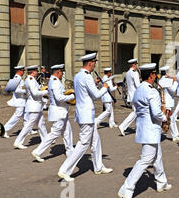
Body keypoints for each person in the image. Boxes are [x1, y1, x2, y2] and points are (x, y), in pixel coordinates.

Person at [118, 63, 172, 198]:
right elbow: (155, 113)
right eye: (155, 74)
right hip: (151, 129)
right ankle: (126, 189)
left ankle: (161, 182)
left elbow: (137, 108)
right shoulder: (152, 91)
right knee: (145, 160)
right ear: (152, 75)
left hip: (143, 128)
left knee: (157, 156)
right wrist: (165, 117)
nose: (156, 77)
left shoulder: (139, 89)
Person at [57, 53, 112, 182]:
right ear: (90, 63)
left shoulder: (78, 75)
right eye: (94, 63)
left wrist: (94, 83)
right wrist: (104, 88)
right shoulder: (87, 77)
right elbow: (96, 95)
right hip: (86, 114)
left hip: (84, 113)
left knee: (95, 141)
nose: (95, 65)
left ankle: (98, 167)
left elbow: (84, 91)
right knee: (83, 143)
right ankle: (65, 170)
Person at [31, 64, 74, 162]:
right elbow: (59, 98)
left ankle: (70, 151)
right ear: (58, 72)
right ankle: (38, 151)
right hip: (58, 111)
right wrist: (71, 97)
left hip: (61, 111)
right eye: (61, 72)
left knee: (67, 132)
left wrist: (67, 92)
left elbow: (61, 94)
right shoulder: (55, 82)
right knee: (55, 133)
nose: (62, 73)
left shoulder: (55, 81)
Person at [13, 65, 48, 149]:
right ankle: (18, 141)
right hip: (34, 105)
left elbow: (36, 89)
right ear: (33, 72)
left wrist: (42, 88)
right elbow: (35, 93)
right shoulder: (31, 80)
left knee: (41, 123)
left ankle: (46, 140)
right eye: (36, 71)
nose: (37, 72)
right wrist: (45, 91)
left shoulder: (30, 80)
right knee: (29, 125)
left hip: (36, 105)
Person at [158, 66, 179, 142]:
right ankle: (173, 135)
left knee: (170, 119)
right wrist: (175, 81)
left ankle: (175, 135)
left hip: (164, 102)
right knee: (167, 119)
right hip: (167, 102)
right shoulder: (166, 80)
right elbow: (173, 90)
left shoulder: (161, 80)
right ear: (166, 73)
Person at [2, 65, 27, 138]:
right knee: (17, 116)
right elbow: (15, 90)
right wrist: (26, 91)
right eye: (23, 70)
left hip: (22, 100)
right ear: (19, 71)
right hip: (19, 101)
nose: (23, 72)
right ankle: (4, 129)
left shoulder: (19, 78)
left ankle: (28, 129)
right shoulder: (16, 78)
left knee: (26, 115)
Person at [119, 59, 140, 136]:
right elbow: (138, 85)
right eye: (135, 65)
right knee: (135, 112)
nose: (136, 66)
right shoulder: (135, 73)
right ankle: (123, 126)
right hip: (135, 95)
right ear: (133, 65)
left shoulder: (127, 73)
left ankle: (138, 128)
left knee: (137, 112)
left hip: (131, 95)